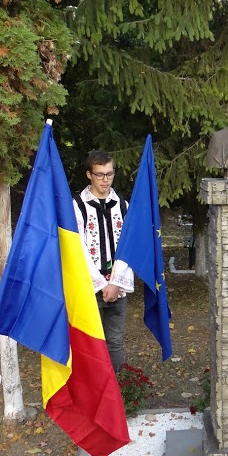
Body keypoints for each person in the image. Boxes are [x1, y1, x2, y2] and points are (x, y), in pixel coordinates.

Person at [73, 149, 134, 372]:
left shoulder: (123, 206)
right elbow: (77, 249)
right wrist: (101, 284)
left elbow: (129, 246)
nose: (105, 180)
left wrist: (115, 283)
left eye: (109, 174)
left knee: (115, 342)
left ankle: (116, 392)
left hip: (118, 287)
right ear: (89, 174)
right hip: (89, 287)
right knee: (90, 344)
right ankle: (93, 393)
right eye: (100, 174)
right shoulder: (77, 207)